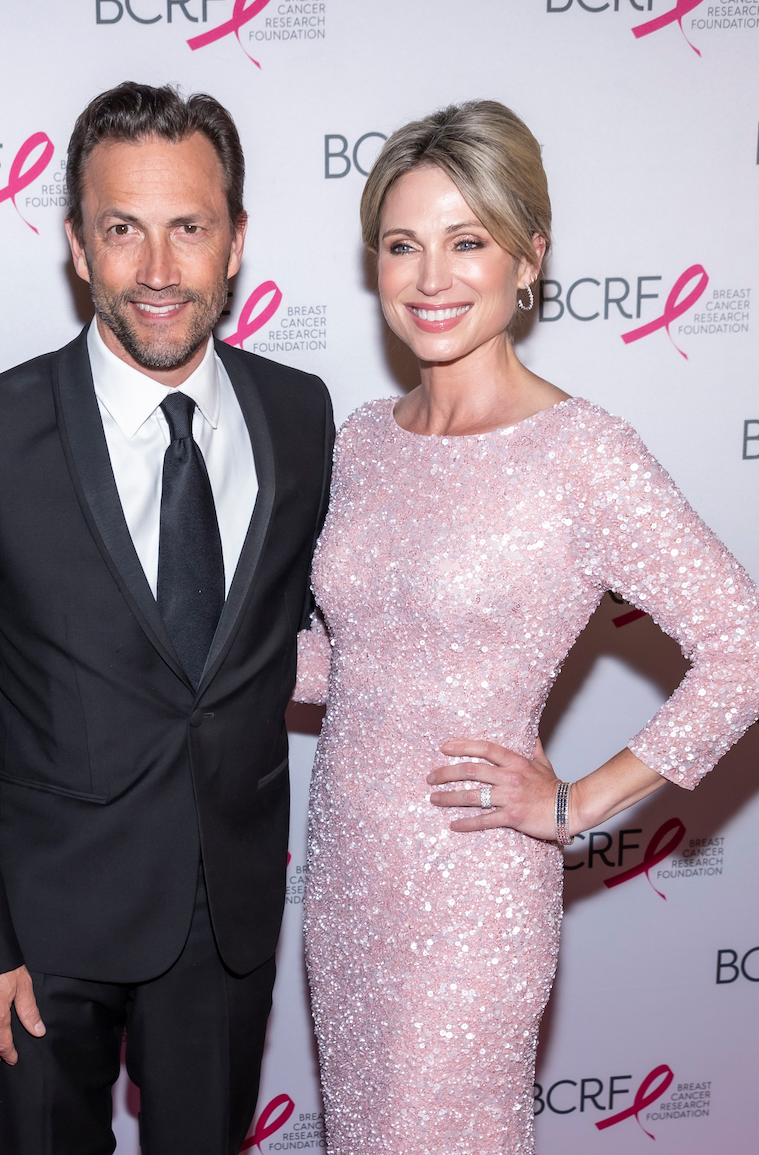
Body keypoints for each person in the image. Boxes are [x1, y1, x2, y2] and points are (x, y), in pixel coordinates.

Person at [293, 100, 759, 1155]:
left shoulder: (580, 454)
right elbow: (362, 663)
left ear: (528, 256)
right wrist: (192, 654)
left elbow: (745, 645)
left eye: (468, 242)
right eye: (403, 246)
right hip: (348, 874)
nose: (431, 278)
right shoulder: (364, 441)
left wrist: (577, 801)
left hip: (471, 890)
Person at [0, 81, 333, 1155]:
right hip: (40, 930)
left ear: (236, 241)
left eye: (189, 227)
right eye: (122, 229)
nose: (156, 270)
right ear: (78, 248)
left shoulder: (300, 414)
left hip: (225, 918)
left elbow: (332, 634)